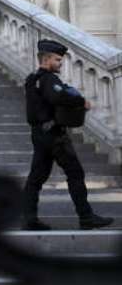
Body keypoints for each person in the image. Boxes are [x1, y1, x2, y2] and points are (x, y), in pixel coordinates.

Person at [22, 39, 113, 231]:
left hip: (39, 134)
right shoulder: (48, 79)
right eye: (57, 60)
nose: (60, 63)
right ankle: (86, 217)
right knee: (75, 173)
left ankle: (29, 218)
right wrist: (81, 101)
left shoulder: (32, 79)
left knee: (36, 178)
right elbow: (57, 96)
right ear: (46, 59)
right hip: (54, 136)